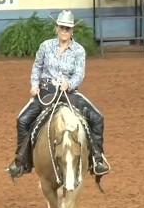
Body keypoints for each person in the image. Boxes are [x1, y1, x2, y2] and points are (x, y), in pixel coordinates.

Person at [6, 10, 110, 178]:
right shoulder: (45, 46)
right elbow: (37, 67)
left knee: (97, 118)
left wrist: (69, 83)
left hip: (68, 93)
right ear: (56, 28)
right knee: (23, 120)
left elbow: (79, 74)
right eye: (62, 27)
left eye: (68, 28)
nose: (64, 31)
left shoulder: (78, 51)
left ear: (72, 31)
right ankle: (22, 161)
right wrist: (34, 85)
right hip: (46, 92)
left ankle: (97, 160)